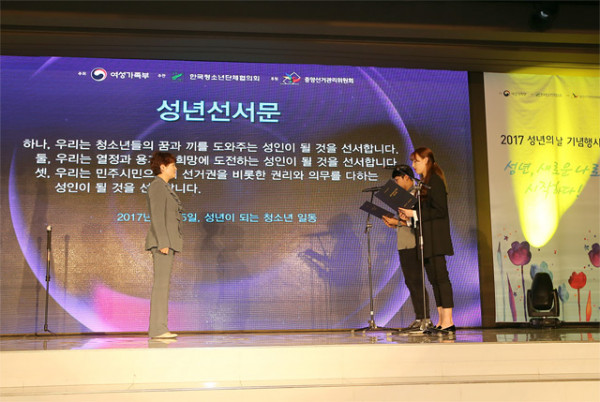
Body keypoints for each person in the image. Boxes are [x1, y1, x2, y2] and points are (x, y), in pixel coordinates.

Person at [398, 147, 455, 333]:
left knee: (441, 278)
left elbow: (439, 210)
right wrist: (409, 216)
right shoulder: (424, 183)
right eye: (413, 161)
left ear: (426, 160)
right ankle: (441, 321)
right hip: (427, 240)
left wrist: (414, 213)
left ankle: (448, 321)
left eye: (416, 161)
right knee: (434, 280)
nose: (413, 165)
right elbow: (422, 213)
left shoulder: (435, 181)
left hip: (436, 239)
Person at [382, 165, 432, 332]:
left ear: (406, 177)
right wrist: (394, 223)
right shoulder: (404, 197)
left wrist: (398, 222)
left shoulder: (418, 194)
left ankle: (425, 318)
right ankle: (419, 317)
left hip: (414, 243)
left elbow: (419, 221)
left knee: (417, 280)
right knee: (410, 281)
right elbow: (407, 222)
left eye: (397, 180)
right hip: (403, 242)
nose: (396, 184)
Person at [145, 151, 183, 339]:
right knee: (161, 286)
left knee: (163, 286)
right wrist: (163, 242)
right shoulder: (157, 186)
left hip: (167, 242)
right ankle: (158, 329)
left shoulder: (164, 187)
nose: (176, 168)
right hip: (163, 243)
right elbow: (157, 216)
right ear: (163, 167)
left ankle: (160, 327)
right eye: (173, 165)